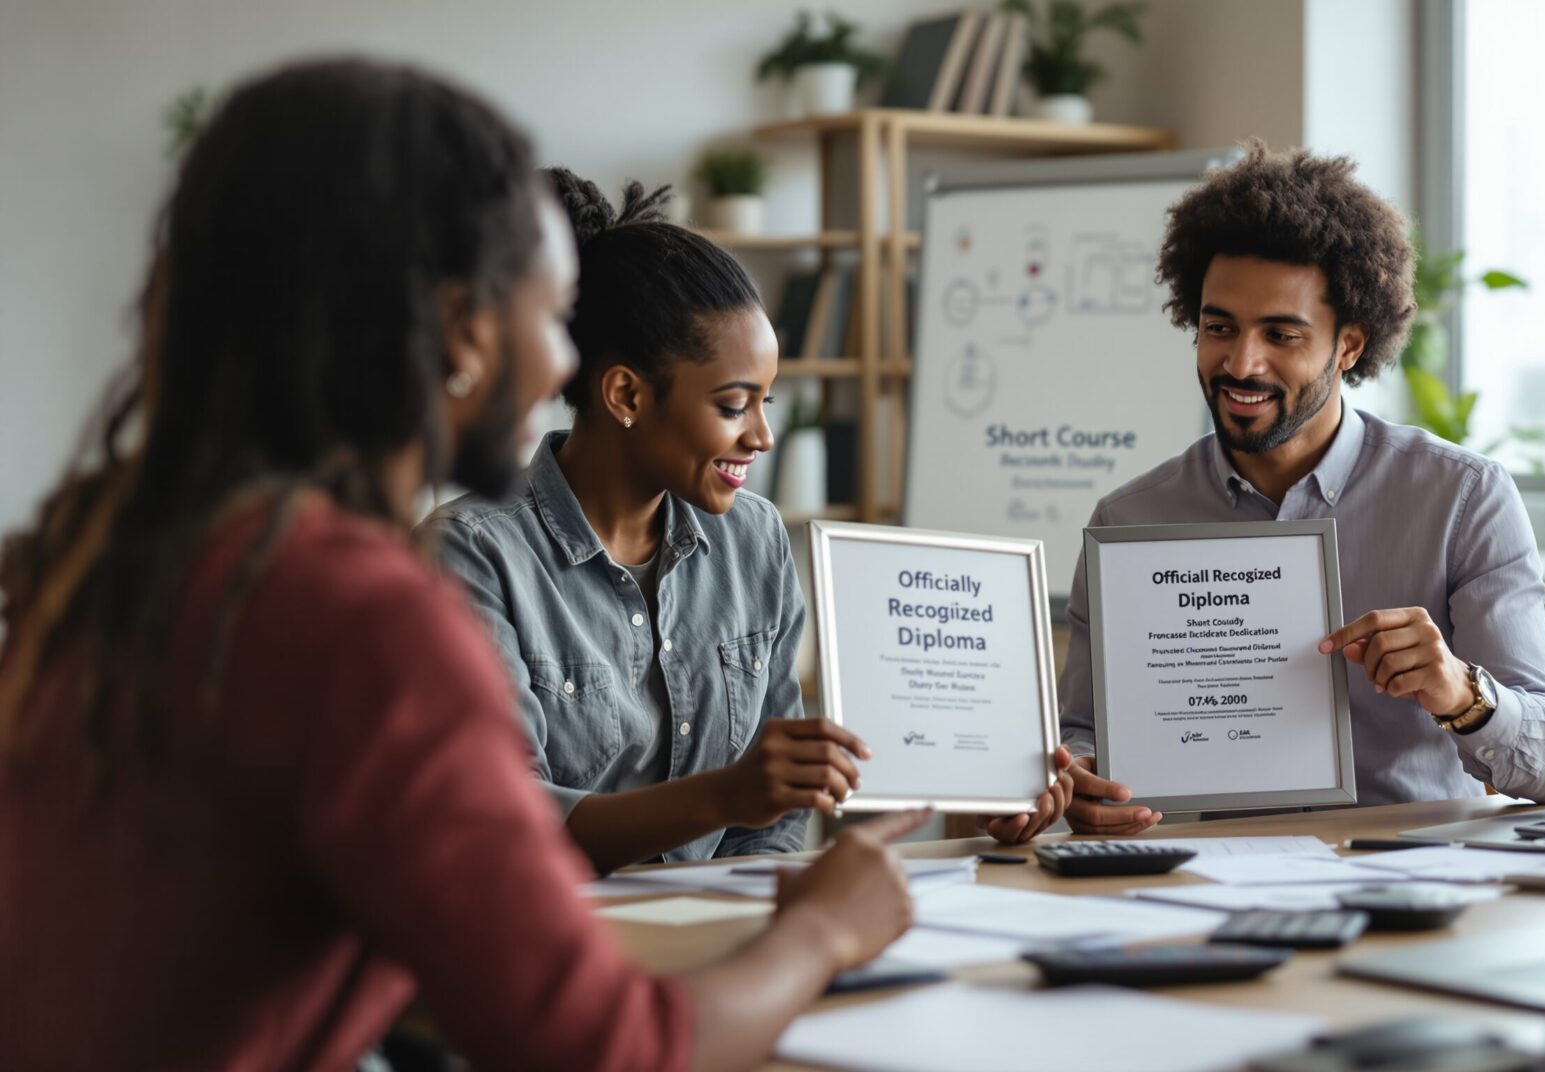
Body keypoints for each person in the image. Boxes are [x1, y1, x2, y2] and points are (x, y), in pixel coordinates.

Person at [0, 58, 922, 1071]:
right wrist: (827, 930)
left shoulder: (123, 564)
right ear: (460, 330)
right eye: (549, 310)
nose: (565, 363)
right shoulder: (362, 617)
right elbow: (605, 1050)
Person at [424, 171, 1072, 870]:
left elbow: (780, 815)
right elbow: (501, 821)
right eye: (735, 405)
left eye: (768, 401)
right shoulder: (472, 554)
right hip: (558, 943)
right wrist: (723, 796)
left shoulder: (755, 539)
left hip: (729, 932)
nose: (763, 436)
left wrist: (989, 786)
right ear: (625, 395)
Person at [1059, 143, 1545, 836]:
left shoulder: (1462, 498)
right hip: (1205, 879)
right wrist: (1075, 781)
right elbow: (1083, 735)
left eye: (1281, 334)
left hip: (1408, 875)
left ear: (1348, 346)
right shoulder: (1129, 521)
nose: (1241, 362)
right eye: (1220, 328)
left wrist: (1461, 693)